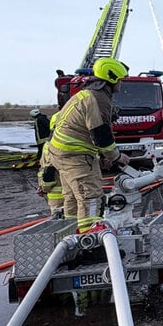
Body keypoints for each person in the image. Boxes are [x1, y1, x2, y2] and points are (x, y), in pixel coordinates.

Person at [47, 58, 131, 232]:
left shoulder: (86, 94)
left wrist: (101, 157)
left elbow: (88, 131)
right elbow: (101, 135)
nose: (121, 84)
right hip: (75, 156)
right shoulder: (99, 99)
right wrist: (116, 157)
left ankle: (70, 237)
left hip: (60, 154)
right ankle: (90, 244)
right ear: (112, 78)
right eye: (120, 80)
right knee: (90, 197)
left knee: (72, 198)